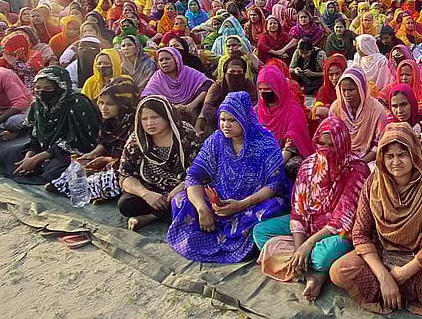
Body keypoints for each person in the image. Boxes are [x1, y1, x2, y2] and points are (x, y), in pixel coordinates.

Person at [329, 123, 422, 315]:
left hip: (419, 258)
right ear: (382, 158)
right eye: (390, 156)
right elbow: (360, 233)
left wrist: (404, 273)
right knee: (338, 271)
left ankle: (400, 289)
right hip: (384, 254)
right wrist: (384, 276)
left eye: (402, 155)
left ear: (414, 154)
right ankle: (418, 291)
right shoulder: (374, 183)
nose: (396, 162)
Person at [252, 117, 371, 301]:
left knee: (323, 256)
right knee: (260, 233)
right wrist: (300, 247)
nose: (325, 150)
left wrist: (307, 245)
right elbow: (298, 210)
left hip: (337, 231)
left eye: (331, 145)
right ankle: (307, 269)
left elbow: (343, 220)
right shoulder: (309, 165)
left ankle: (313, 272)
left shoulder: (356, 169)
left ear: (342, 144)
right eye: (321, 143)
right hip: (309, 223)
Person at [166, 91, 290, 263]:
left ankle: (242, 243)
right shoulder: (216, 140)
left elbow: (276, 184)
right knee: (181, 200)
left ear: (244, 118)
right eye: (223, 119)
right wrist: (203, 208)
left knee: (273, 208)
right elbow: (194, 175)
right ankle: (206, 235)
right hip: (221, 200)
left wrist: (242, 204)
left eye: (232, 120)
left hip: (253, 202)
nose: (225, 125)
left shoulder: (266, 142)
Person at [0, 67, 101, 184]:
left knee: (55, 171)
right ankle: (31, 167)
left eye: (48, 88)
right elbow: (35, 137)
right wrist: (29, 157)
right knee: (5, 156)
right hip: (44, 148)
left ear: (60, 88)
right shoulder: (37, 105)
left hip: (69, 151)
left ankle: (36, 168)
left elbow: (79, 142)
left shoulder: (76, 103)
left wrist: (37, 159)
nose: (41, 92)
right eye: (37, 88)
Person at [118, 95, 206, 231]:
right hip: (152, 190)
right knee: (125, 204)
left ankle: (152, 216)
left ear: (167, 116)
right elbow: (125, 175)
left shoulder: (186, 135)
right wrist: (146, 194)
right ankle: (163, 213)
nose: (149, 123)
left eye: (155, 117)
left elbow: (201, 168)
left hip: (183, 188)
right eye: (144, 119)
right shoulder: (137, 140)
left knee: (193, 202)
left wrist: (184, 185)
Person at [49, 77, 138, 202]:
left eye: (110, 104)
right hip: (111, 161)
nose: (103, 108)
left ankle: (100, 193)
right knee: (77, 167)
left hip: (128, 167)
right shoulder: (109, 121)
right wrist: (90, 156)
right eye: (101, 103)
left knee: (108, 177)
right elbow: (103, 144)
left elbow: (134, 159)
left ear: (124, 104)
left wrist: (107, 160)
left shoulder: (136, 125)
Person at [255, 64, 312, 176]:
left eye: (267, 89)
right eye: (260, 89)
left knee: (294, 165)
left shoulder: (293, 109)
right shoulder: (258, 109)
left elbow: (291, 144)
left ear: (278, 88)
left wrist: (273, 165)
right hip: (262, 152)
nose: (263, 93)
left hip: (286, 153)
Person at [328, 67, 389, 161]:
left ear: (361, 89)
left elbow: (380, 143)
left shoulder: (377, 109)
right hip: (341, 157)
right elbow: (332, 138)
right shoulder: (336, 108)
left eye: (351, 89)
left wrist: (360, 163)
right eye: (343, 90)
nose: (347, 94)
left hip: (369, 159)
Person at [142, 47, 212, 122]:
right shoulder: (157, 77)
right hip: (168, 114)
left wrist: (193, 104)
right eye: (161, 60)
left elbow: (208, 85)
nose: (164, 62)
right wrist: (172, 107)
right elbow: (147, 96)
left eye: (167, 59)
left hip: (193, 110)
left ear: (176, 59)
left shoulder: (188, 72)